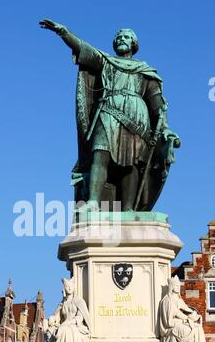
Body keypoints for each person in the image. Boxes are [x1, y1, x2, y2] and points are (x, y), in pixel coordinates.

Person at [40, 19, 180, 212]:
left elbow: (157, 104)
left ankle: (129, 209)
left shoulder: (146, 71)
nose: (122, 39)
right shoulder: (105, 61)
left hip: (137, 118)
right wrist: (64, 33)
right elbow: (83, 47)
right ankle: (93, 202)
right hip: (108, 111)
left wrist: (164, 128)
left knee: (131, 163)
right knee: (100, 152)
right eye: (119, 37)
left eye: (126, 37)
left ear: (133, 44)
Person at [159, 276, 207, 342]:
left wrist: (196, 316)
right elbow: (169, 320)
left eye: (179, 285)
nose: (178, 287)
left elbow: (186, 309)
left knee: (197, 327)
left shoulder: (178, 298)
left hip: (180, 322)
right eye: (176, 286)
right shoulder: (167, 300)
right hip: (172, 325)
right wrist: (185, 319)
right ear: (171, 287)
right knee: (187, 330)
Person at [46, 278, 90, 342]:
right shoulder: (63, 303)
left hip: (75, 325)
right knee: (52, 330)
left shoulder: (79, 301)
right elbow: (56, 316)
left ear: (74, 288)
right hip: (64, 324)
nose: (69, 288)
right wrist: (51, 319)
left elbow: (80, 317)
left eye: (71, 286)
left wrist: (70, 322)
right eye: (67, 287)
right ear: (64, 289)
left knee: (65, 329)